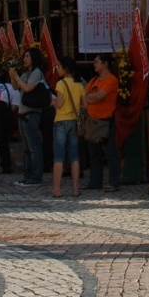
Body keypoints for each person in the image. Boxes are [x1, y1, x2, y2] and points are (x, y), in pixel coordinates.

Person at [8, 48, 47, 187]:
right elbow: (15, 87)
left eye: (27, 56)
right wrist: (13, 75)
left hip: (32, 113)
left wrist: (17, 77)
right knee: (26, 148)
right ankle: (27, 176)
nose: (24, 59)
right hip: (23, 113)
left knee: (34, 148)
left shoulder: (37, 73)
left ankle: (36, 177)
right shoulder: (26, 73)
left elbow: (28, 88)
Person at [83, 54, 121, 191]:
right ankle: (95, 182)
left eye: (97, 62)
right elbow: (84, 97)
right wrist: (89, 98)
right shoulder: (94, 80)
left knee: (110, 153)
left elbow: (100, 96)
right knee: (94, 154)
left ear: (105, 64)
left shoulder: (111, 80)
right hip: (92, 120)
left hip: (106, 120)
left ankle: (113, 182)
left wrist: (89, 97)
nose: (94, 65)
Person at [50, 58, 86, 198]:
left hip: (60, 121)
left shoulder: (61, 83)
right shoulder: (79, 84)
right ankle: (75, 189)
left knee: (59, 156)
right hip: (74, 121)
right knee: (74, 157)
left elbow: (59, 104)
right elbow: (85, 105)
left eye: (59, 66)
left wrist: (52, 101)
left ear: (65, 69)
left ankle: (57, 189)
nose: (57, 69)